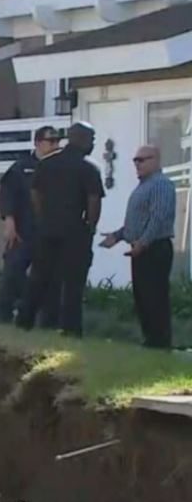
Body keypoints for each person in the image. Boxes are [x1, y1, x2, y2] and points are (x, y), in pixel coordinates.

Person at [16, 122, 105, 338]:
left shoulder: (46, 164)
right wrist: (90, 227)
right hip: (74, 231)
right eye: (91, 139)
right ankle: (71, 329)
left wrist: (42, 217)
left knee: (38, 277)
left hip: (47, 230)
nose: (93, 144)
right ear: (81, 139)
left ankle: (24, 322)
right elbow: (94, 201)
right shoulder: (88, 168)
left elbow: (35, 193)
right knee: (73, 283)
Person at [99, 145, 176, 349]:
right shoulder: (143, 186)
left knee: (154, 297)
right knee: (143, 298)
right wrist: (117, 236)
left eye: (142, 160)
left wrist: (142, 242)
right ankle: (150, 340)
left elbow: (158, 218)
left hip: (154, 248)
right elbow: (138, 222)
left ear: (156, 160)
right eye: (135, 160)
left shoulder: (160, 184)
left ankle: (159, 343)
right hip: (140, 249)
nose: (137, 164)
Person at [0, 126, 61, 324]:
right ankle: (3, 313)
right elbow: (7, 194)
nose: (56, 145)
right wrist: (9, 221)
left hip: (47, 231)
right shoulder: (21, 167)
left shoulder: (58, 168)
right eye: (52, 141)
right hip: (23, 229)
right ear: (38, 143)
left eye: (58, 141)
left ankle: (42, 316)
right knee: (13, 270)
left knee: (47, 276)